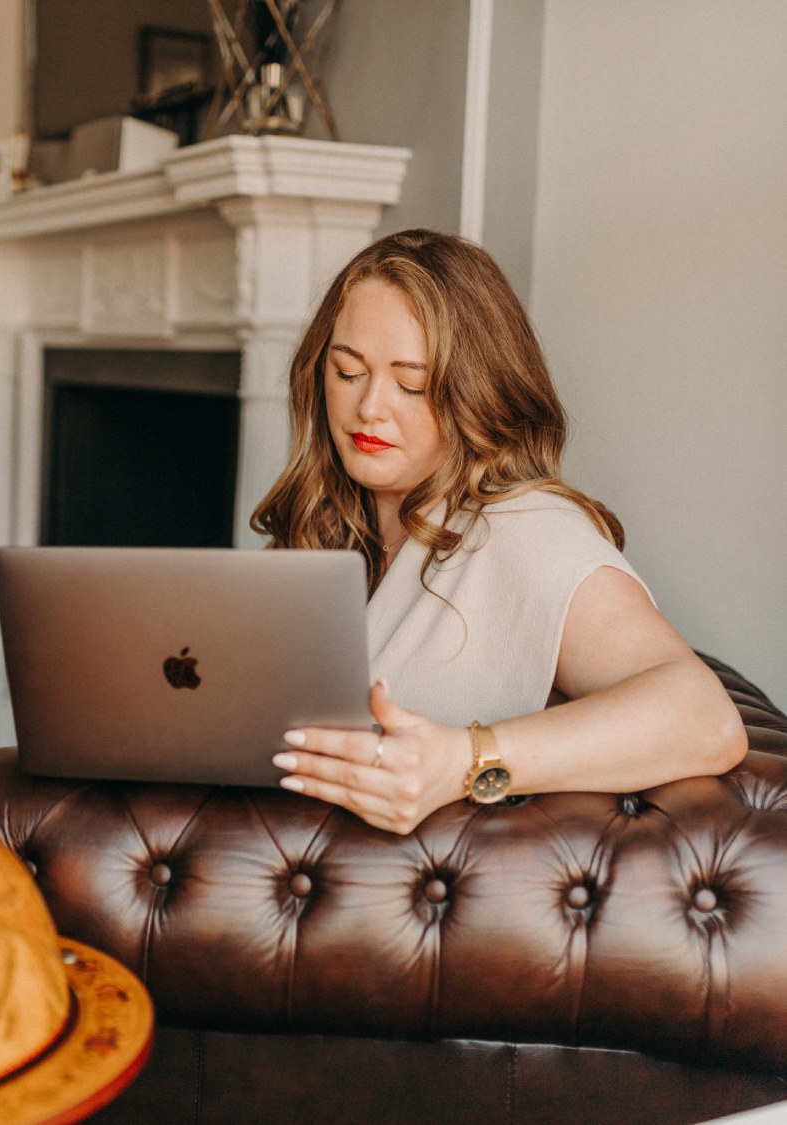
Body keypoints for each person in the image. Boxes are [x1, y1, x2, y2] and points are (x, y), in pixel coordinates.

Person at [252, 228, 747, 835]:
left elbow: (705, 719)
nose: (370, 408)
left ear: (476, 390)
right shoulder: (332, 523)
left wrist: (462, 761)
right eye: (348, 371)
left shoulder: (525, 528)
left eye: (412, 383)